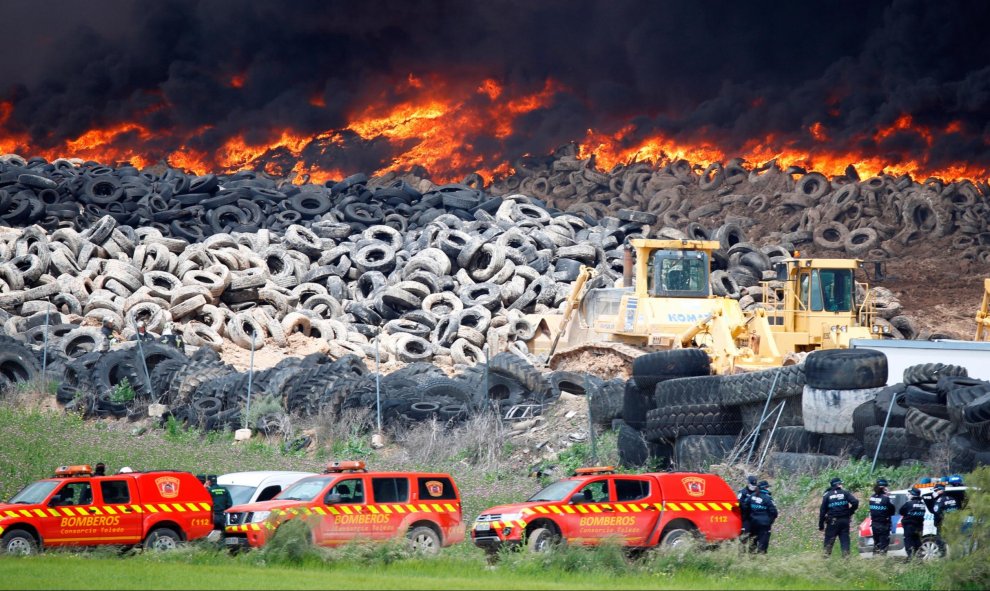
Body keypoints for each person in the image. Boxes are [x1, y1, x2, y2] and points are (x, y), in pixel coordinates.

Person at [818, 477, 859, 558]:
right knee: (845, 541)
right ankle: (846, 559)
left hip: (832, 522)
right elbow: (855, 502)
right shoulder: (845, 493)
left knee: (828, 543)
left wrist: (821, 525)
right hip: (844, 521)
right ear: (838, 484)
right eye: (841, 483)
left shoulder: (827, 495)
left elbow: (822, 511)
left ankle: (825, 561)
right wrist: (849, 512)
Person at [743, 480, 778, 554]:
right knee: (763, 543)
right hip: (764, 525)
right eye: (768, 487)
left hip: (753, 524)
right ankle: (761, 559)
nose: (768, 489)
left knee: (752, 542)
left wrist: (749, 519)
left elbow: (745, 508)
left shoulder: (752, 496)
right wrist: (769, 521)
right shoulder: (768, 498)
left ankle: (752, 559)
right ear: (765, 488)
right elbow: (774, 512)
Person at [927, 483, 961, 555]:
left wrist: (936, 522)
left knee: (940, 540)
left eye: (935, 491)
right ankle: (954, 556)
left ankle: (942, 555)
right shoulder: (952, 499)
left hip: (943, 524)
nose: (934, 492)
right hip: (953, 523)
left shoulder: (940, 500)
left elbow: (937, 512)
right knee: (952, 541)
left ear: (940, 491)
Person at [868, 478, 896, 555]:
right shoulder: (886, 499)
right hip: (884, 525)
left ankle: (875, 560)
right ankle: (882, 560)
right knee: (883, 545)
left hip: (874, 524)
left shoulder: (872, 497)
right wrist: (888, 497)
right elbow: (892, 511)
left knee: (876, 543)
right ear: (884, 488)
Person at [899, 487, 928, 560]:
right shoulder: (922, 504)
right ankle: (918, 558)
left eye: (910, 494)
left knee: (909, 542)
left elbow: (901, 511)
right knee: (917, 542)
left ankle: (910, 558)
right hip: (919, 526)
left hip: (909, 526)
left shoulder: (909, 503)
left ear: (912, 495)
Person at [737, 475, 758, 546]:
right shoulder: (743, 492)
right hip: (746, 518)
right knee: (744, 537)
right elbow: (739, 504)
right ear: (748, 483)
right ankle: (741, 554)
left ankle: (752, 555)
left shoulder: (758, 492)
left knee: (754, 538)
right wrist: (747, 506)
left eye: (755, 485)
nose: (753, 487)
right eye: (752, 485)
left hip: (755, 518)